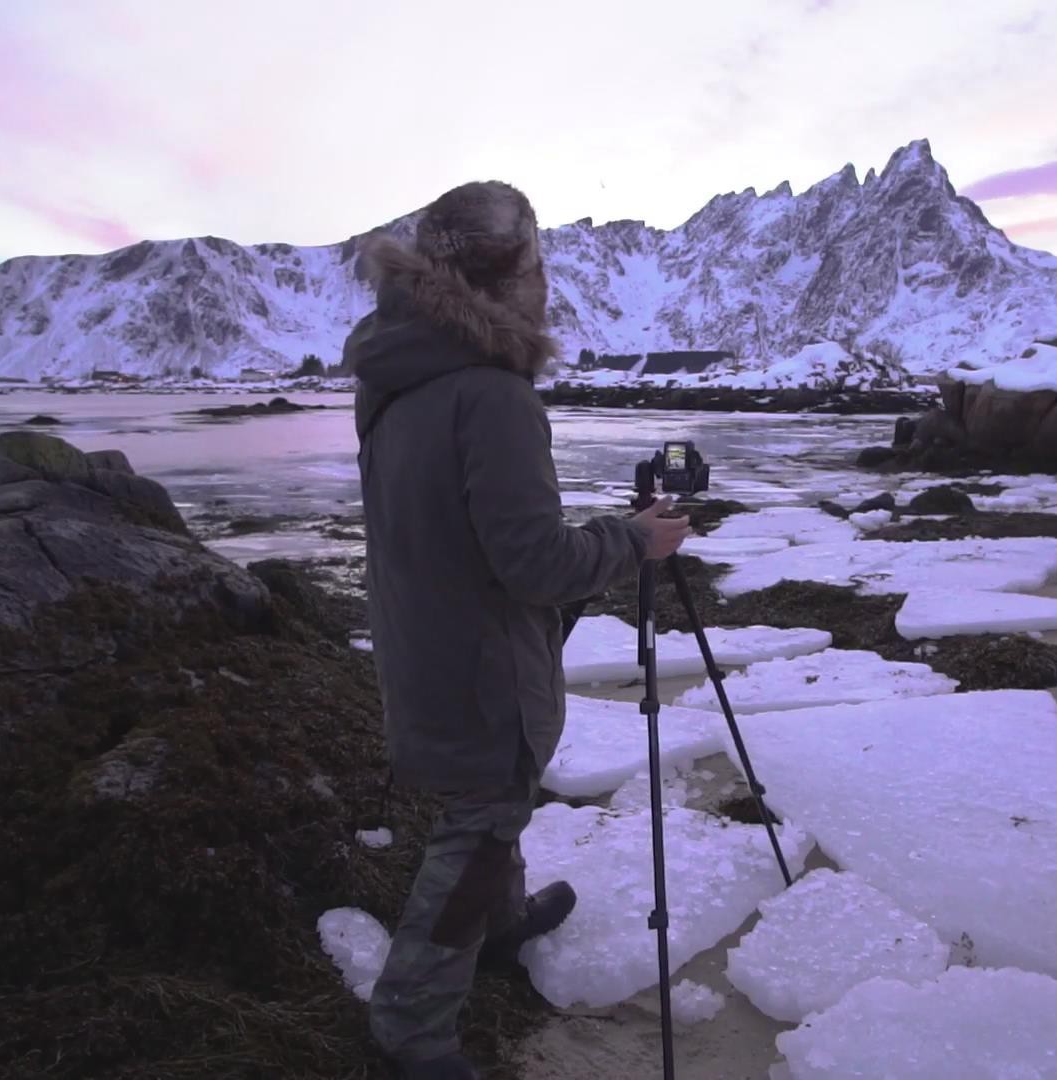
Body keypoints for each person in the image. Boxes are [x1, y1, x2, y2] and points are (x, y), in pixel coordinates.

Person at [343, 180, 691, 1079]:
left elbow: (456, 530)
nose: (546, 280)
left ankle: (500, 927)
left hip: (423, 639)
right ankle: (410, 1028)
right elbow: (534, 564)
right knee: (482, 821)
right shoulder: (493, 396)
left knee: (488, 810)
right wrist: (635, 540)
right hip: (480, 662)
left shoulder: (398, 375)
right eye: (538, 263)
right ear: (508, 279)